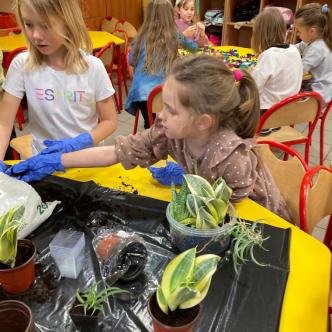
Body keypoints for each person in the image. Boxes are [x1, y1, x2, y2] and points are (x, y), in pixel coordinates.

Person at [7, 55, 292, 222]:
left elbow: (236, 212)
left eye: (171, 109)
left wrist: (195, 181)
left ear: (203, 122)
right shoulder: (170, 131)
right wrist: (57, 160)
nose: (160, 115)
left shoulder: (232, 158)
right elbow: (116, 152)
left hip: (261, 221)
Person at [0, 0, 117, 168]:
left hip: (87, 163)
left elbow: (110, 121)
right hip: (44, 164)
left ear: (68, 22)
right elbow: (4, 123)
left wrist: (81, 141)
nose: (35, 35)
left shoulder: (93, 67)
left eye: (45, 25)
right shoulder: (22, 65)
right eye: (29, 24)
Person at [126, 0, 198, 130]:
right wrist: (189, 36)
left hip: (141, 94)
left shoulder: (141, 36)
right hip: (164, 94)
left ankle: (151, 132)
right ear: (170, 15)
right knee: (167, 122)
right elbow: (193, 48)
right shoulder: (174, 35)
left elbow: (131, 61)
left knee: (151, 125)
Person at [251, 7, 303, 135]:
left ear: (260, 33)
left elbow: (254, 89)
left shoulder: (269, 55)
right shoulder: (294, 50)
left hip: (266, 114)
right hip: (289, 112)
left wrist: (249, 74)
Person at [294, 3, 332, 105]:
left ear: (312, 31)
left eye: (299, 31)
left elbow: (300, 71)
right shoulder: (316, 40)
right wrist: (285, 50)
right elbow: (298, 47)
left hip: (318, 96)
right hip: (320, 91)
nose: (297, 34)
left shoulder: (318, 47)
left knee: (282, 95)